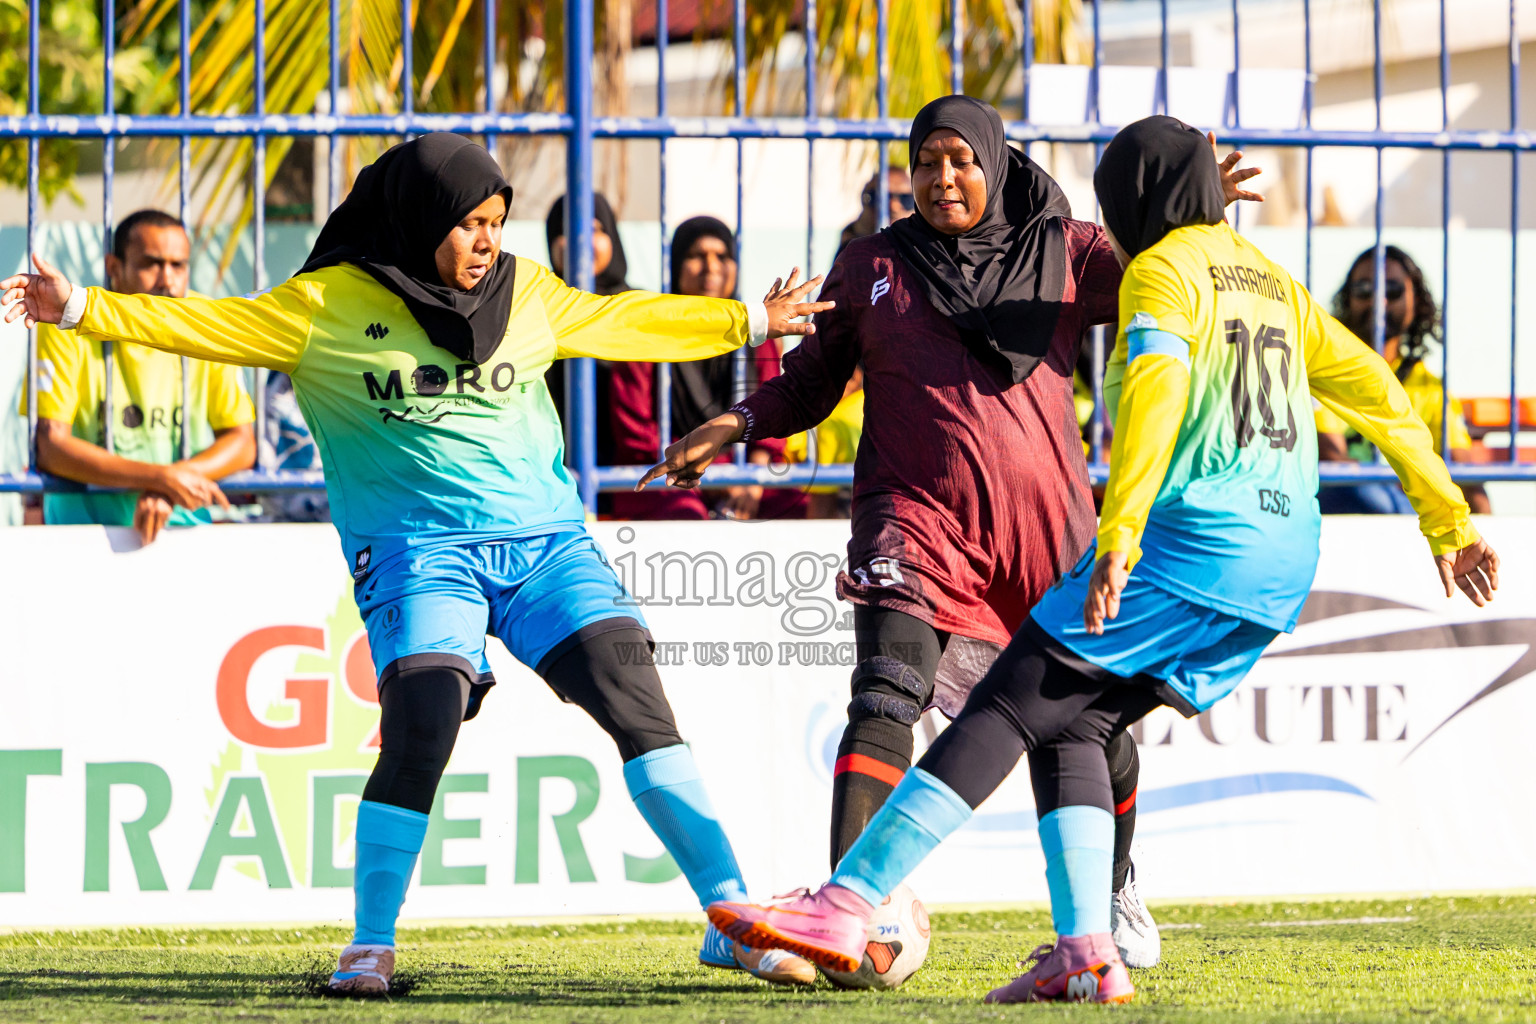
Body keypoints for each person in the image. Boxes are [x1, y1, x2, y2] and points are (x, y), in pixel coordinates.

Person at [1, 134, 832, 994]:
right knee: (421, 728)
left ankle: (730, 917)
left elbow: (624, 321)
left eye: (497, 222)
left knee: (634, 698)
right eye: (470, 223)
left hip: (548, 548)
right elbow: (209, 324)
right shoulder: (327, 304)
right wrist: (78, 308)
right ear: (423, 218)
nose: (487, 240)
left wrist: (750, 320)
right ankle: (369, 943)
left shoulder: (527, 292)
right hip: (420, 557)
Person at [701, 115, 1499, 1005]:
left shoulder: (1154, 271)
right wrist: (1447, 518)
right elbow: (1379, 392)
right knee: (1074, 724)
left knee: (1007, 705)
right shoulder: (1271, 279)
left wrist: (1118, 538)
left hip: (1192, 545)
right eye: (926, 161)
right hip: (1281, 563)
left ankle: (845, 904)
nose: (941, 176)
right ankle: (1086, 950)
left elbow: (1153, 400)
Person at [640, 95, 1262, 969]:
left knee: (1088, 732)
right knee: (885, 691)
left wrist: (1192, 208)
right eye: (926, 162)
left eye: (961, 161)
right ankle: (848, 913)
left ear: (995, 165)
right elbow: (812, 381)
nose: (942, 179)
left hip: (1045, 534)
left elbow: (1165, 269)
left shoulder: (1069, 250)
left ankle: (1113, 889)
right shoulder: (870, 265)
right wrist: (732, 423)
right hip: (913, 520)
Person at [28, 209, 255, 544]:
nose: (168, 280)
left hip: (181, 532)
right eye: (151, 264)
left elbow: (242, 443)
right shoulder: (67, 321)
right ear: (113, 269)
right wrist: (161, 479)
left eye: (178, 265)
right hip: (83, 539)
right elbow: (50, 446)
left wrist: (168, 485)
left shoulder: (206, 319)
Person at [609, 216, 806, 521]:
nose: (711, 267)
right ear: (676, 265)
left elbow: (773, 413)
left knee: (796, 508)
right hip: (664, 472)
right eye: (696, 256)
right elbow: (635, 431)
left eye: (722, 256)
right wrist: (705, 471)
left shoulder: (755, 336)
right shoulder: (647, 333)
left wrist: (752, 480)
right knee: (685, 515)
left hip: (744, 473)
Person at [1318, 245, 1491, 514]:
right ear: (1348, 298)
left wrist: (1490, 530)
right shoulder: (1327, 370)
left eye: (1393, 290)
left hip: (1404, 512)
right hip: (1346, 505)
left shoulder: (1430, 388)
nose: (1378, 301)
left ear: (1416, 301)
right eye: (1364, 289)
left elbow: (1465, 474)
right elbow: (1332, 460)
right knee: (1362, 492)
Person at [837, 165, 915, 254]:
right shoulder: (851, 253)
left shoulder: (923, 247)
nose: (894, 207)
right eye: (880, 198)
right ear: (865, 200)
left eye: (906, 199)